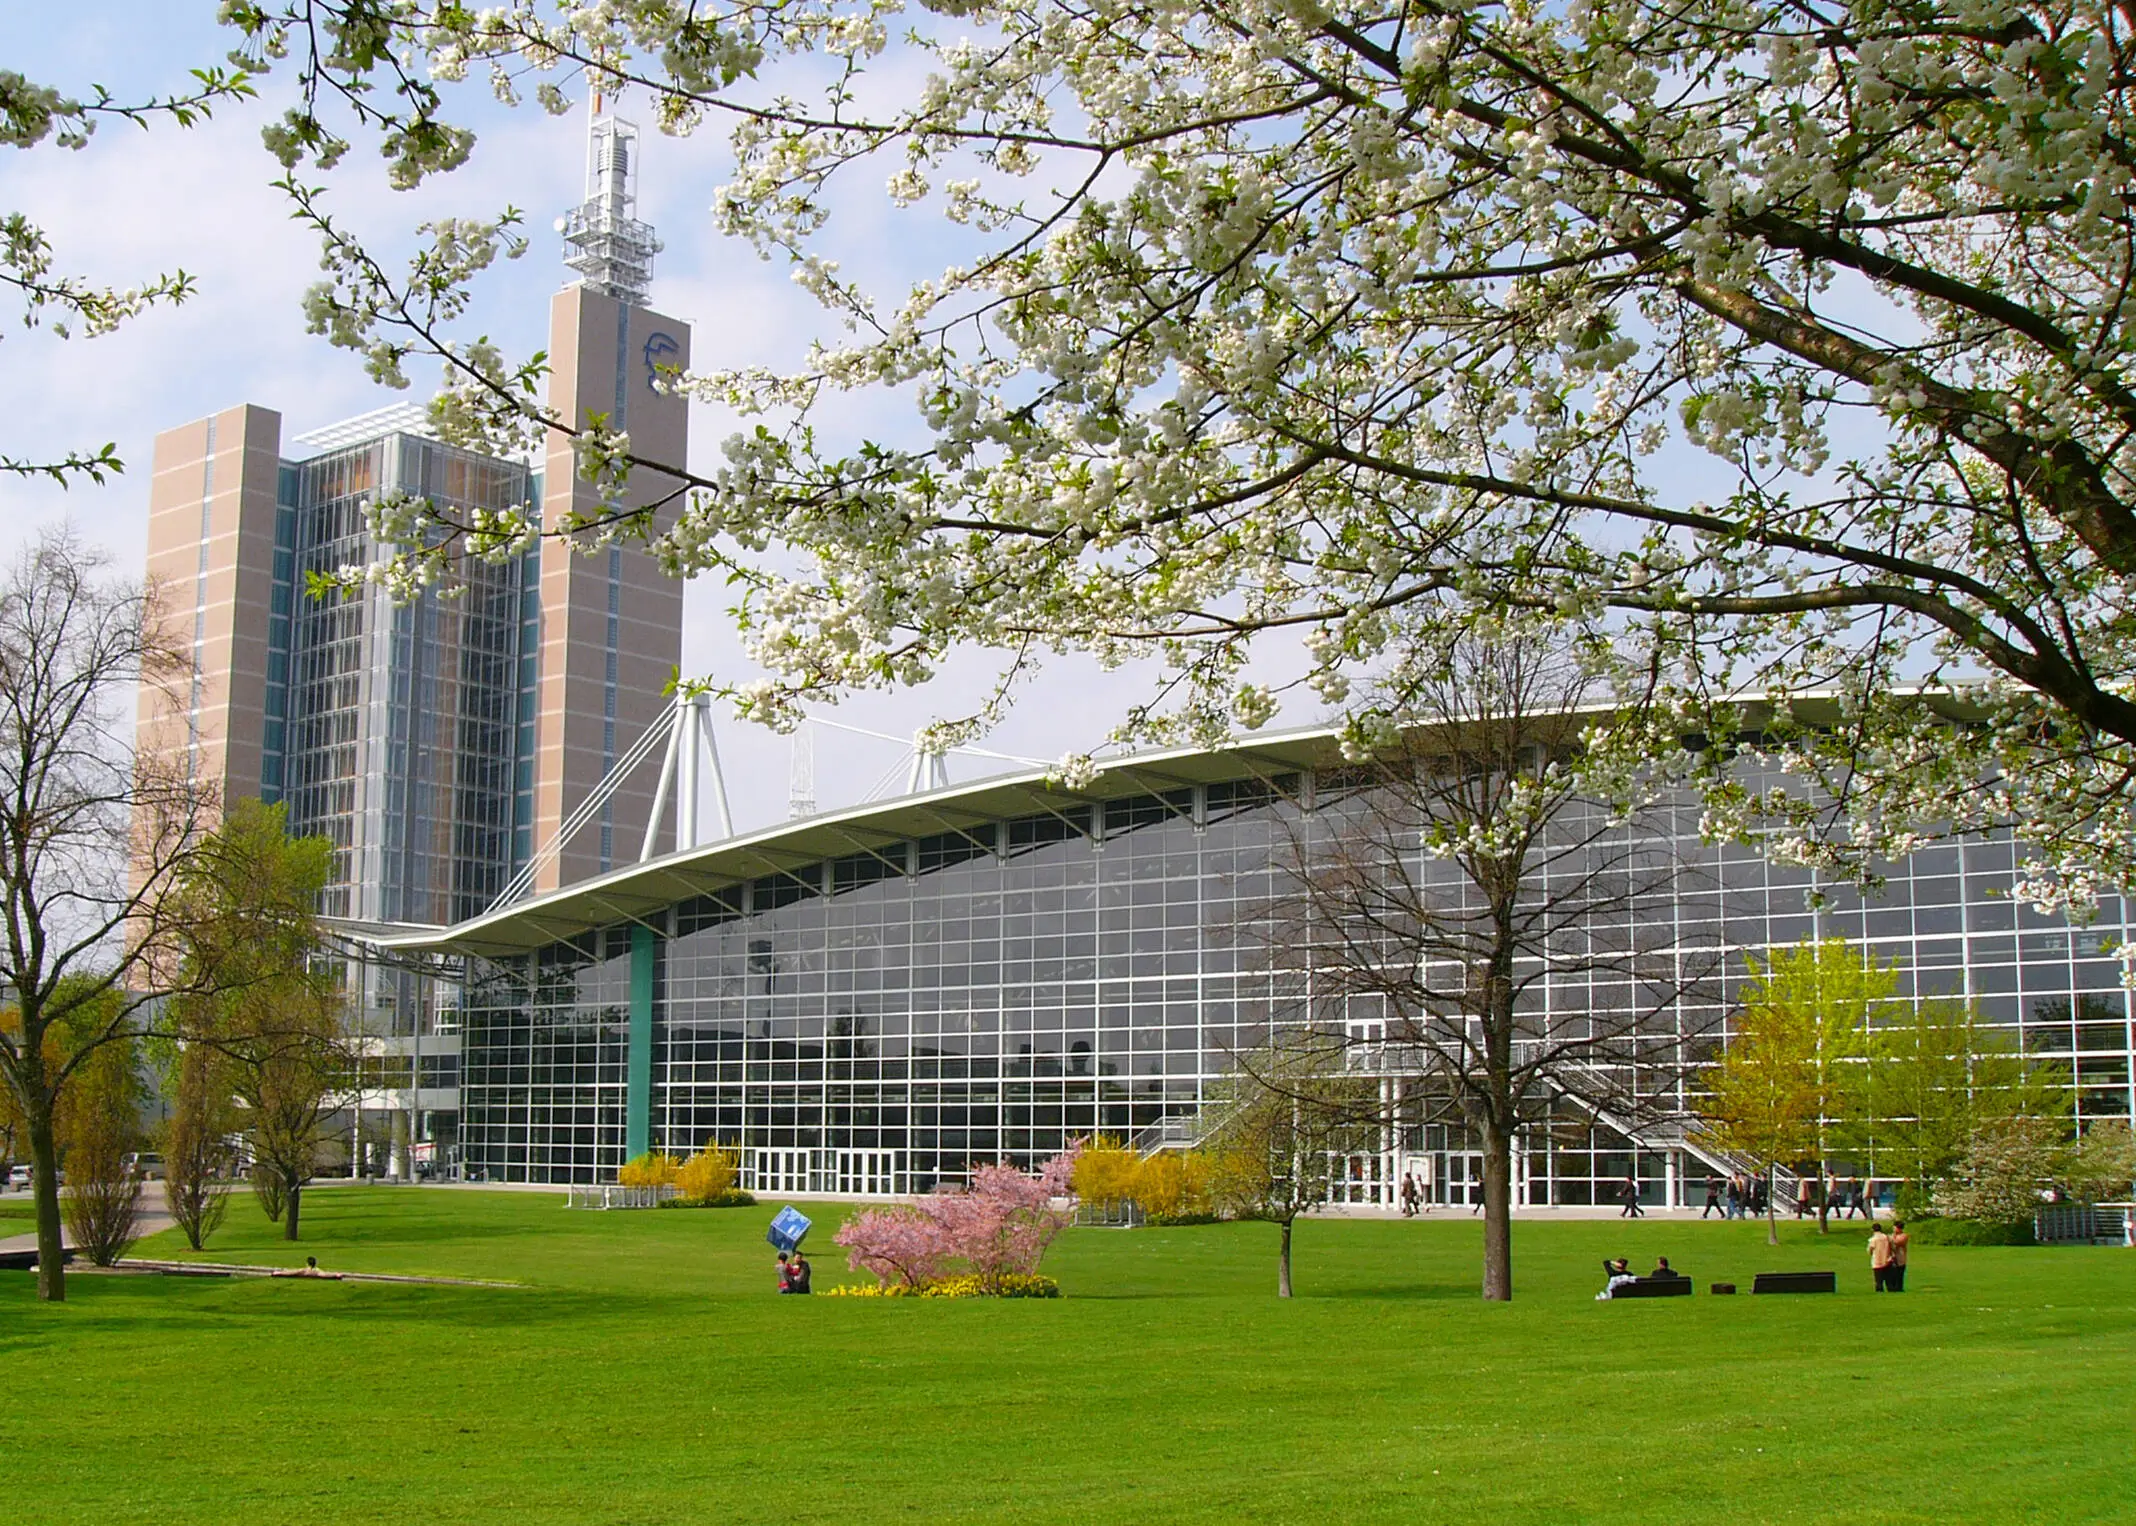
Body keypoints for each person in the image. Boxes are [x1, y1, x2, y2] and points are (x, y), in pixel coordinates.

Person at [1867, 1222, 1894, 1291]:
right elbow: (1892, 1247)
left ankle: (1880, 1291)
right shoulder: (1887, 1237)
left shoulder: (1873, 1239)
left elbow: (1870, 1250)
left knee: (1879, 1281)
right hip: (1887, 1260)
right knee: (1889, 1280)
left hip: (1877, 1261)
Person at [1887, 1221, 1909, 1292]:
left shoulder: (1903, 1236)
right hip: (1892, 1258)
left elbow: (1897, 1243)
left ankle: (1899, 1288)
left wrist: (1891, 1238)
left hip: (1900, 1258)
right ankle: (1892, 1287)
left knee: (1899, 1274)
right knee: (1892, 1274)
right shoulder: (1891, 1236)